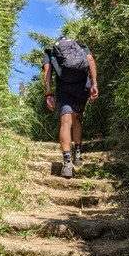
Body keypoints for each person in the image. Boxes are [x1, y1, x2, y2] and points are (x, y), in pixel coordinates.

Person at [43, 37, 99, 178]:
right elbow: (91, 61)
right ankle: (78, 155)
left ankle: (67, 161)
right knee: (76, 118)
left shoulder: (50, 51)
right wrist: (94, 84)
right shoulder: (80, 46)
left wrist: (49, 93)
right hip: (82, 86)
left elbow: (47, 72)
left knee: (66, 121)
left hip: (63, 89)